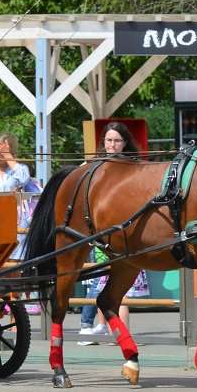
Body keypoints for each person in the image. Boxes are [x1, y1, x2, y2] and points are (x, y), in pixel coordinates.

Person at [78, 122, 148, 340]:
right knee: (103, 286)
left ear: (125, 143)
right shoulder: (94, 165)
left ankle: (115, 332)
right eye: (109, 140)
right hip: (99, 232)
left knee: (119, 290)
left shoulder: (133, 166)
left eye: (117, 140)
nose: (112, 144)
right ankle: (98, 326)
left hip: (125, 232)